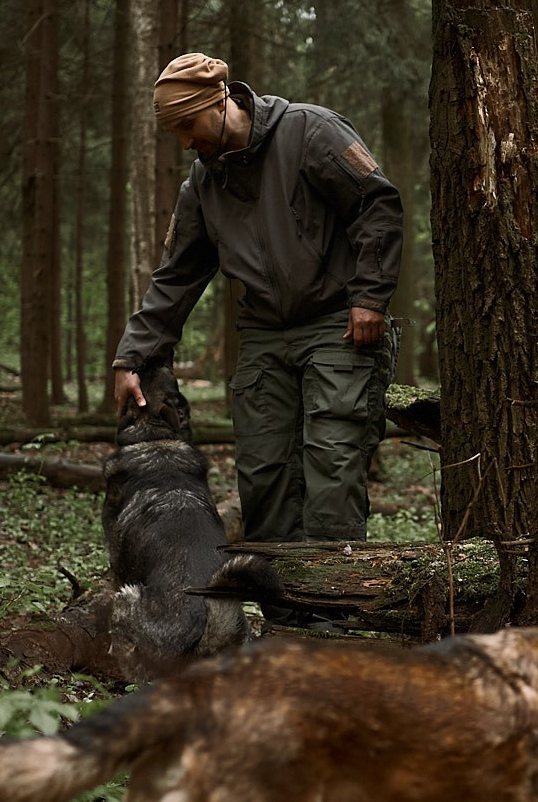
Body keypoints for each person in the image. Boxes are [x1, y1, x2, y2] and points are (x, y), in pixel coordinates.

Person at [112, 52, 403, 557]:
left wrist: (370, 296)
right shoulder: (203, 185)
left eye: (188, 125)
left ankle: (329, 624)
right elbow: (177, 277)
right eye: (174, 133)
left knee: (333, 472)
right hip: (265, 336)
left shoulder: (311, 132)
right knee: (264, 481)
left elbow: (376, 204)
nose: (185, 142)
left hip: (338, 326)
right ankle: (284, 623)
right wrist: (133, 356)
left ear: (218, 101)